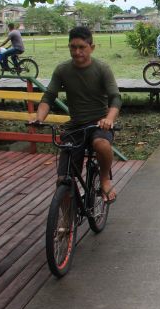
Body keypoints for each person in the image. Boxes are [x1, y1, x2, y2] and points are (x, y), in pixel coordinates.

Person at [33, 26, 121, 203]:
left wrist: (109, 119)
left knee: (102, 144)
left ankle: (104, 179)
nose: (77, 52)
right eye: (73, 47)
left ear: (92, 47)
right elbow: (49, 97)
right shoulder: (62, 70)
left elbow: (115, 98)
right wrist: (39, 117)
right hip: (76, 126)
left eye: (82, 47)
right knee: (63, 181)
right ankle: (65, 225)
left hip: (98, 124)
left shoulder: (102, 69)